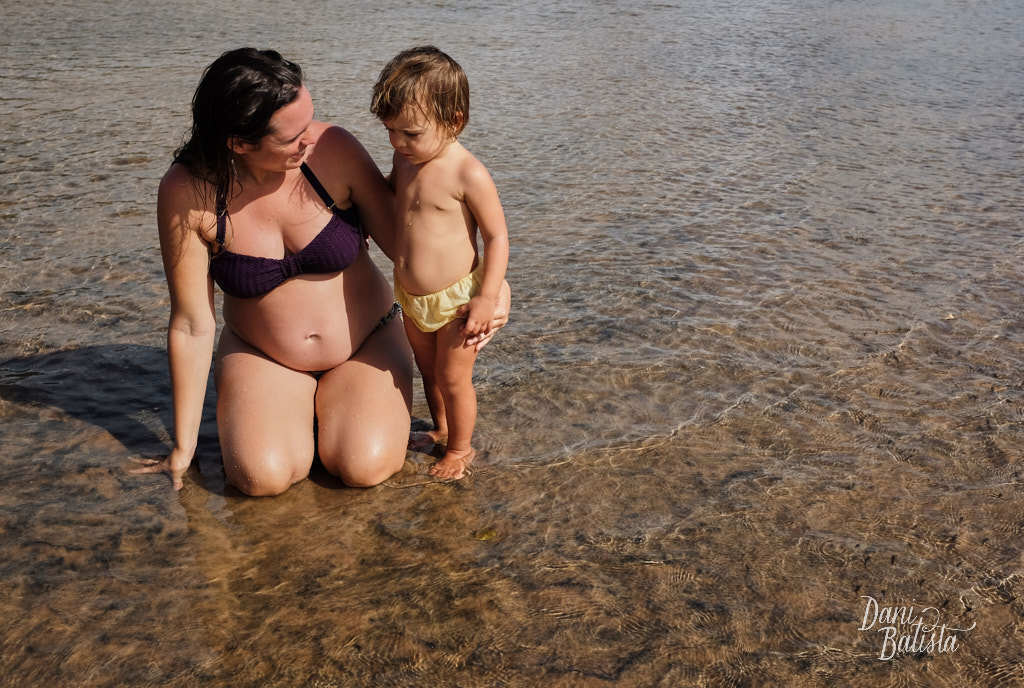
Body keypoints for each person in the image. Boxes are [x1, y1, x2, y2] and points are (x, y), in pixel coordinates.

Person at [132, 48, 510, 494]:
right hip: (262, 354)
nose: (310, 139)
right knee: (261, 478)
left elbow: (416, 243)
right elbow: (192, 324)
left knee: (364, 467)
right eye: (293, 137)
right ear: (239, 143)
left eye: (308, 121)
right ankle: (296, 417)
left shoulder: (333, 148)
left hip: (365, 343)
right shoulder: (187, 192)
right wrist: (184, 446)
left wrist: (492, 292)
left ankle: (330, 416)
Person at [371, 46, 509, 480]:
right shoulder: (405, 159)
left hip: (457, 301)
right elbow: (390, 196)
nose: (398, 143)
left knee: (453, 379)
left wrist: (487, 297)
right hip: (413, 297)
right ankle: (442, 429)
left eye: (410, 133)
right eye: (390, 131)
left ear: (454, 121)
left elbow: (497, 237)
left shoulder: (468, 173)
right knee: (429, 372)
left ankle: (461, 449)